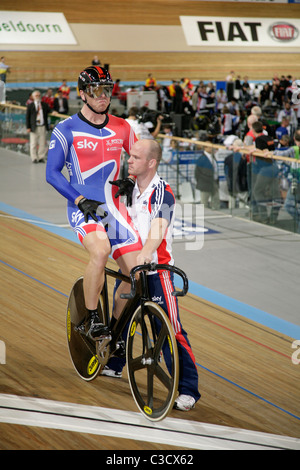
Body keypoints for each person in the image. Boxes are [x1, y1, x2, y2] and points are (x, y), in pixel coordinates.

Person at [102, 139, 200, 412]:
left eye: (135, 157)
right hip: (132, 269)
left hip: (158, 271)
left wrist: (146, 252)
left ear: (151, 163)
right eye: (129, 156)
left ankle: (189, 390)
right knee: (119, 311)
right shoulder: (130, 187)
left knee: (171, 330)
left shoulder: (163, 192)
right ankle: (114, 362)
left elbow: (159, 225)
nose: (129, 160)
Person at [46, 66, 143, 339]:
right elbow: (51, 173)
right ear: (82, 94)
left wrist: (132, 178)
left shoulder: (122, 127)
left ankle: (113, 330)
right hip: (83, 207)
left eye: (107, 90)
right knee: (100, 252)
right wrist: (78, 200)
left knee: (135, 273)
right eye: (95, 90)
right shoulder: (66, 129)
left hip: (114, 209)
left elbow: (137, 157)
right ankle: (90, 319)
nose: (103, 96)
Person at [272, 130, 300, 233]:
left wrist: (269, 152)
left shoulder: (294, 149)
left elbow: (278, 154)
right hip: (296, 180)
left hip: (297, 182)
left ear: (294, 139)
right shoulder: (294, 150)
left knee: (288, 204)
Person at [26, 90, 50, 163]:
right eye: (36, 95)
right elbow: (27, 117)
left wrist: (54, 111)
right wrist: (28, 127)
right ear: (33, 97)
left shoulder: (44, 105)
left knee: (42, 143)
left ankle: (41, 157)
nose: (38, 97)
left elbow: (50, 110)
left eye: (39, 95)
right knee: (33, 143)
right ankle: (34, 157)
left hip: (42, 126)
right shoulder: (30, 106)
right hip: (34, 126)